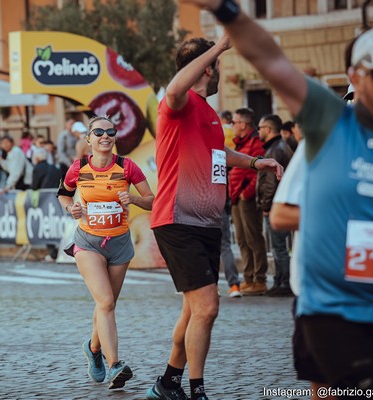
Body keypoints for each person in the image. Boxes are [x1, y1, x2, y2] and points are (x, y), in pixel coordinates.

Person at [187, 0, 373, 395]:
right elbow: (270, 59)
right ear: (357, 77)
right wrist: (225, 10)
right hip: (337, 311)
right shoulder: (332, 123)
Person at [147, 32, 282, 400]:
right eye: (216, 64)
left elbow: (217, 152)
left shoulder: (206, 113)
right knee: (208, 307)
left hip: (206, 222)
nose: (220, 69)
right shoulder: (177, 103)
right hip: (178, 219)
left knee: (192, 311)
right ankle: (196, 390)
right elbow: (173, 90)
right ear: (208, 67)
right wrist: (220, 45)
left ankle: (168, 382)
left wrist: (257, 162)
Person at [57, 115, 155, 390]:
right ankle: (115, 365)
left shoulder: (127, 167)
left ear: (114, 137)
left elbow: (151, 200)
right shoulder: (78, 168)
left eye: (110, 132)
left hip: (120, 243)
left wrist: (133, 198)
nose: (105, 135)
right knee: (106, 302)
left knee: (106, 304)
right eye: (98, 132)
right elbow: (64, 194)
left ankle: (93, 348)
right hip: (88, 242)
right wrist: (70, 208)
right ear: (89, 139)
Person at [228, 107, 269, 296]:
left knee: (253, 237)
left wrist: (247, 193)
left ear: (243, 125)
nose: (232, 126)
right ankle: (249, 277)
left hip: (246, 198)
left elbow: (258, 170)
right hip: (236, 196)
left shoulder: (255, 143)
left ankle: (260, 279)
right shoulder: (240, 143)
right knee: (243, 239)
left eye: (234, 122)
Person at [256, 114, 293, 297]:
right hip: (279, 202)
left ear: (268, 130)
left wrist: (265, 205)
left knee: (279, 247)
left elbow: (271, 183)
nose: (259, 131)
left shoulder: (275, 150)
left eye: (261, 128)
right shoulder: (278, 147)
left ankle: (284, 281)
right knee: (279, 246)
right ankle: (280, 280)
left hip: (275, 204)